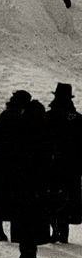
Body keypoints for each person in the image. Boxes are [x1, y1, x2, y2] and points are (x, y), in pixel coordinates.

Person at [9, 99, 53, 258]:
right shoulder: (38, 134)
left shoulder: (21, 131)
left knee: (24, 222)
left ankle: (26, 256)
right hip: (34, 185)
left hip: (20, 185)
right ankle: (29, 257)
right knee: (32, 222)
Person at [0, 89, 32, 244]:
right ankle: (14, 230)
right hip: (17, 165)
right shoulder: (24, 119)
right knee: (15, 197)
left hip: (2, 164)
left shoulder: (4, 116)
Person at [47, 83, 82, 244]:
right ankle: (64, 232)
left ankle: (55, 229)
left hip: (53, 164)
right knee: (69, 198)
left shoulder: (49, 116)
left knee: (53, 196)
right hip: (73, 166)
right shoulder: (77, 118)